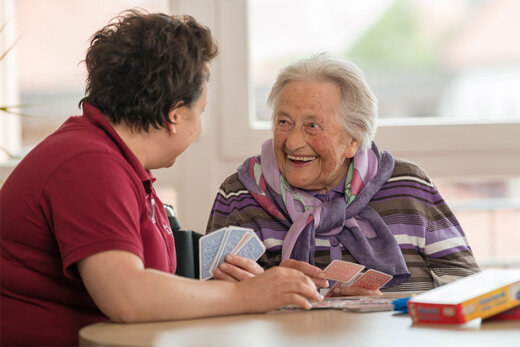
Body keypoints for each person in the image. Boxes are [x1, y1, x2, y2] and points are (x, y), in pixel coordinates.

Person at [0, 11, 322, 346]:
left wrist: (255, 288)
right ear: (175, 115)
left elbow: (149, 291)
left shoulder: (111, 159)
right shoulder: (90, 165)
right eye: (200, 113)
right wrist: (246, 297)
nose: (198, 129)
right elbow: (127, 296)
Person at [206, 54, 480, 295]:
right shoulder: (239, 195)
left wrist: (378, 313)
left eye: (312, 126)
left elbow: (467, 287)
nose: (292, 142)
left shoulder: (409, 186)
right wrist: (265, 294)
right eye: (284, 122)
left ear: (353, 138)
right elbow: (212, 303)